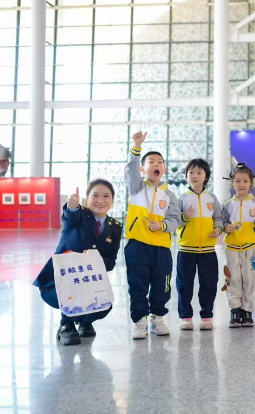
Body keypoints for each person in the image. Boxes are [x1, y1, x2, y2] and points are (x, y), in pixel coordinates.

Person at [33, 179, 122, 346]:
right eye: (95, 195)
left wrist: (92, 258)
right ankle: (66, 325)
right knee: (74, 292)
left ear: (112, 200)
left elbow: (110, 263)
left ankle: (84, 322)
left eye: (106, 196)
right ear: (87, 198)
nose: (100, 200)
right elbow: (70, 215)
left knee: (105, 305)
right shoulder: (79, 215)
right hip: (56, 285)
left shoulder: (115, 227)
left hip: (88, 283)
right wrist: (72, 206)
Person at [124, 131, 181, 339]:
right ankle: (140, 322)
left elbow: (175, 219)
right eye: (151, 162)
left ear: (163, 169)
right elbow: (130, 169)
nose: (156, 164)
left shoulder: (169, 195)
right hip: (137, 245)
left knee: (161, 284)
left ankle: (158, 319)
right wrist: (137, 147)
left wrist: (162, 226)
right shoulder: (136, 188)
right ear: (142, 169)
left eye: (160, 162)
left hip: (162, 248)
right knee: (137, 285)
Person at [176, 158, 224, 331]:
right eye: (191, 172)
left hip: (208, 250)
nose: (194, 176)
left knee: (209, 284)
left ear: (206, 176)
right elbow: (174, 220)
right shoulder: (182, 198)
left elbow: (219, 218)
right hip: (186, 249)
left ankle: (206, 316)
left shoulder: (212, 198)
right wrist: (185, 217)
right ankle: (186, 317)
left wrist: (218, 229)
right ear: (186, 176)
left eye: (199, 172)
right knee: (184, 285)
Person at [222, 163, 255, 328]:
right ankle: (235, 310)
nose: (241, 184)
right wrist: (226, 227)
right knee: (232, 279)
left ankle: (247, 311)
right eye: (237, 181)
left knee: (250, 279)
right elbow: (223, 223)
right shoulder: (228, 205)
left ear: (251, 183)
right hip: (232, 249)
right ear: (232, 182)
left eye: (245, 181)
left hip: (252, 250)